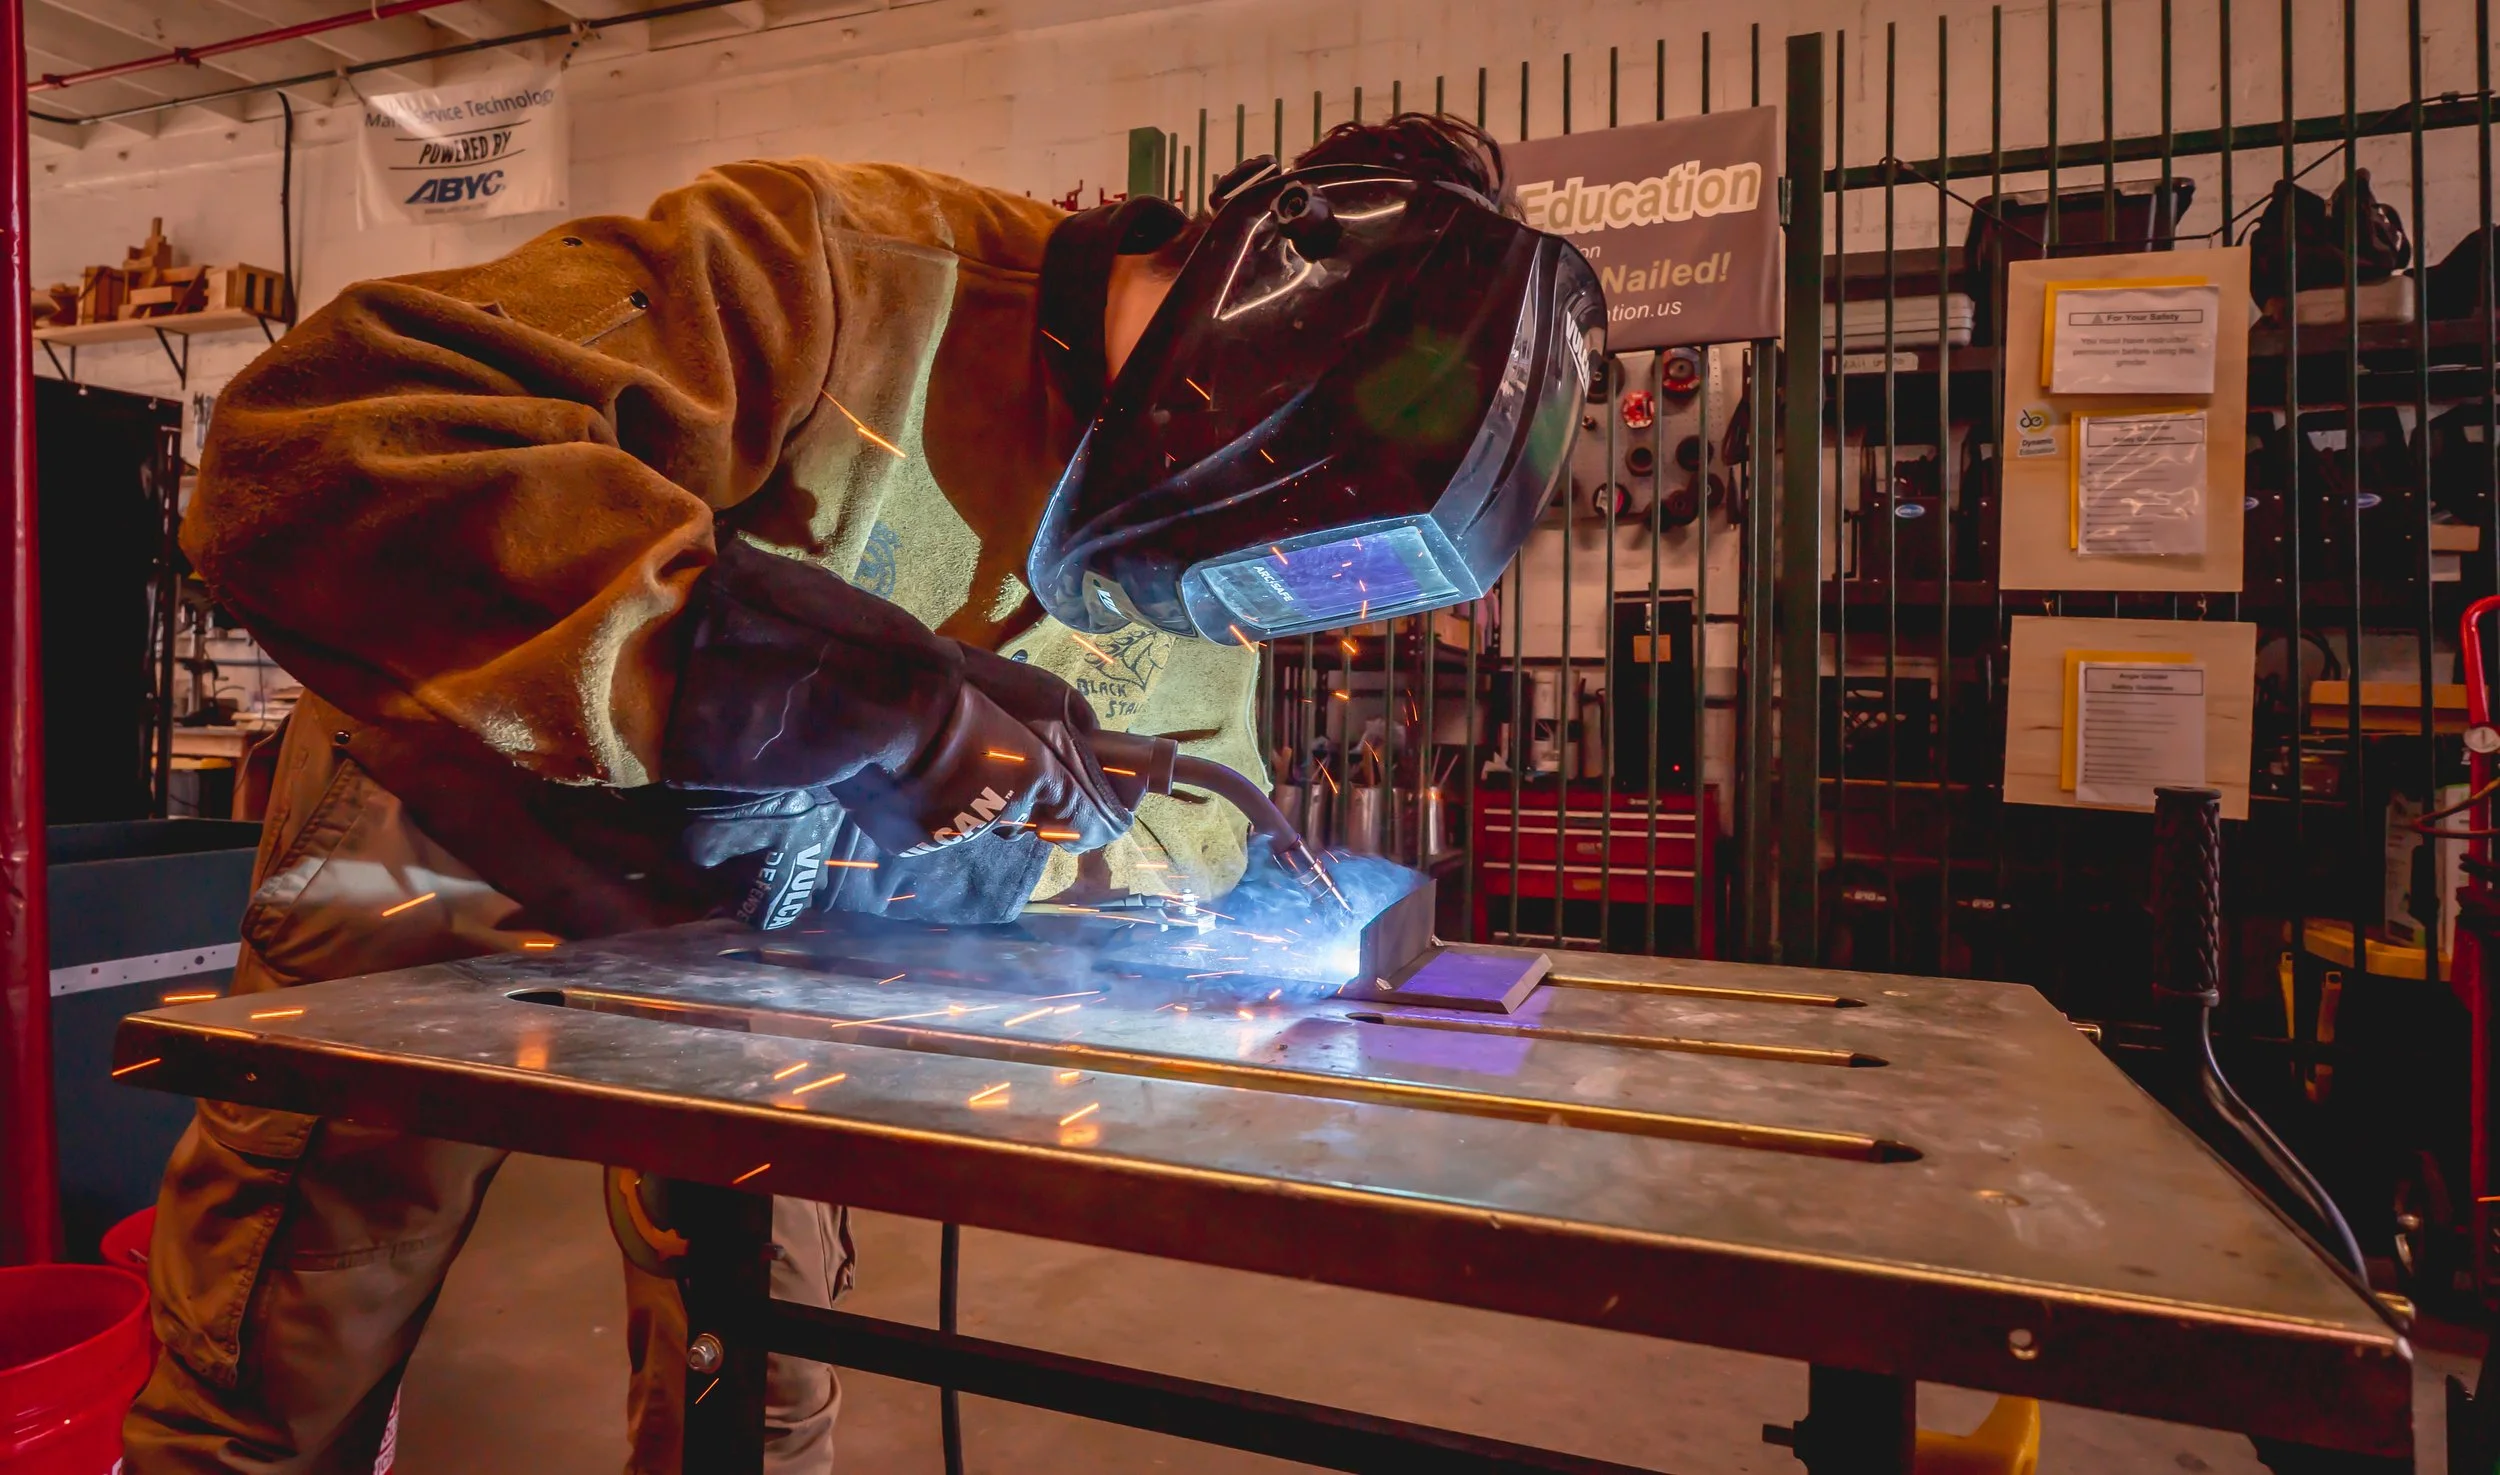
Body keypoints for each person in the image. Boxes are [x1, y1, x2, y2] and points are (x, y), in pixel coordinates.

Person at [124, 110, 1598, 1473]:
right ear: (1257, 346)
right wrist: (769, 670)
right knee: (299, 1320)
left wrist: (1024, 859)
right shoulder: (840, 265)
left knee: (761, 1348)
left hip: (766, 933)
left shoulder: (1201, 542)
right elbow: (326, 442)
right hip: (450, 815)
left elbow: (1195, 815)